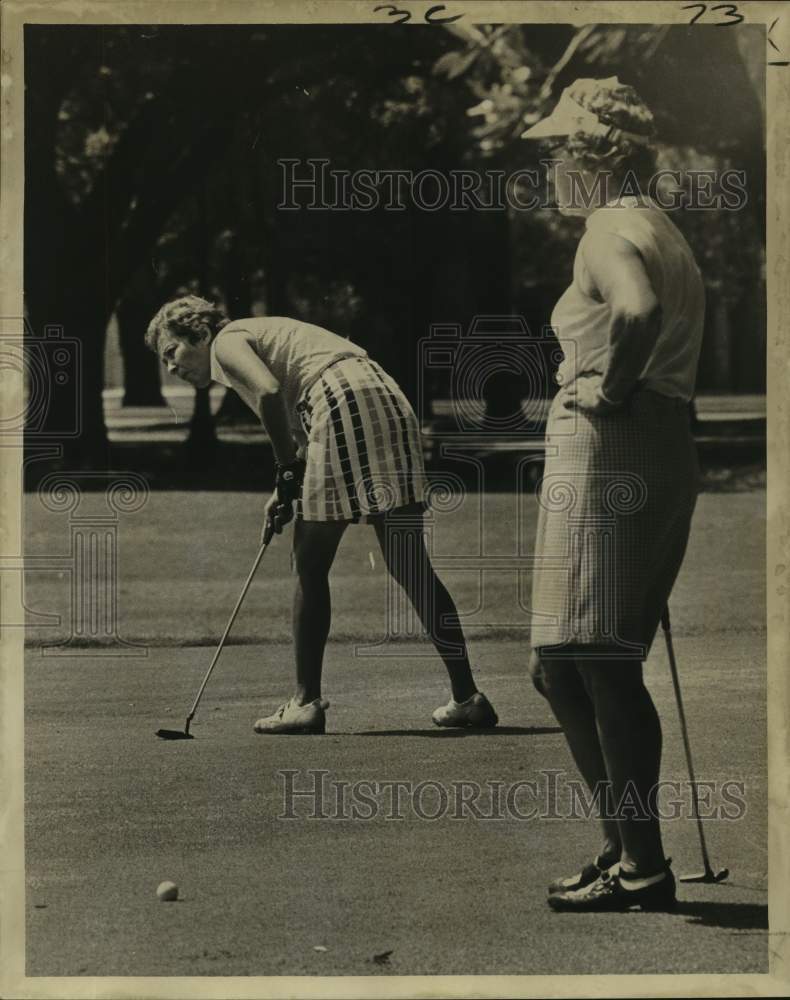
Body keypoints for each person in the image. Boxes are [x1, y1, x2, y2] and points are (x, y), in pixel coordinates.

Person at [145, 298, 498, 734]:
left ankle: (304, 702)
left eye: (172, 353)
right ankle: (468, 697)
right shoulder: (261, 334)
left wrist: (286, 468)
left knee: (309, 562)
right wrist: (284, 487)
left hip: (339, 400)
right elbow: (296, 419)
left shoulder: (226, 343)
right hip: (383, 396)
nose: (171, 368)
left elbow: (272, 394)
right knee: (409, 563)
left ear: (199, 335)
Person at [521, 77, 705, 911]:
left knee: (596, 659)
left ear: (596, 152)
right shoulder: (661, 226)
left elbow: (636, 312)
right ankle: (624, 848)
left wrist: (609, 389)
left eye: (559, 146)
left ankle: (642, 864)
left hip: (614, 447)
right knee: (561, 664)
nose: (551, 162)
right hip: (650, 448)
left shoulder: (608, 228)